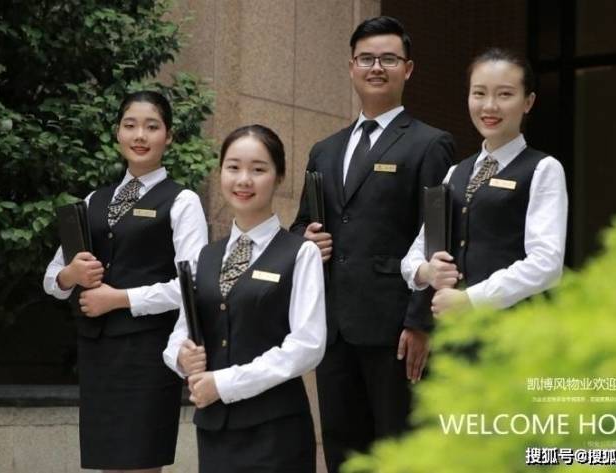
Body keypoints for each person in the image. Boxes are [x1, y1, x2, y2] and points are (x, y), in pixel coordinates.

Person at [290, 16, 456, 472]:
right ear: (351, 67)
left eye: (388, 59)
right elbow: (302, 222)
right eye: (366, 59)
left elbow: (438, 238)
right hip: (334, 329)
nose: (376, 67)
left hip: (396, 331)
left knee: (399, 452)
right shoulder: (325, 150)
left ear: (408, 69)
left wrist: (421, 322)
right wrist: (305, 239)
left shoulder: (430, 144)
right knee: (343, 450)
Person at [43, 90, 208, 472]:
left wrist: (120, 299)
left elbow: (191, 284)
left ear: (169, 136)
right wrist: (71, 275)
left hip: (148, 354)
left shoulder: (182, 201)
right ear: (117, 133)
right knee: (109, 464)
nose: (140, 135)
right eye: (130, 125)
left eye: (152, 127)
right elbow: (52, 277)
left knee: (141, 462)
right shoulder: (92, 201)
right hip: (98, 355)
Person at [163, 124, 327, 473]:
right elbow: (182, 330)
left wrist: (224, 384)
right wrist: (181, 355)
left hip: (275, 432)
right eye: (233, 167)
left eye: (258, 169)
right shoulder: (205, 256)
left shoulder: (301, 253)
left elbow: (307, 345)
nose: (243, 180)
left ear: (279, 176)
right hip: (215, 431)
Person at [401, 47, 568, 317]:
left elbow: (546, 264)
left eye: (505, 94)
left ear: (528, 102)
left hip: (512, 329)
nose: (490, 106)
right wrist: (426, 271)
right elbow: (416, 252)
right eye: (479, 93)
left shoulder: (543, 169)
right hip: (454, 331)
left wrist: (472, 299)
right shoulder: (454, 172)